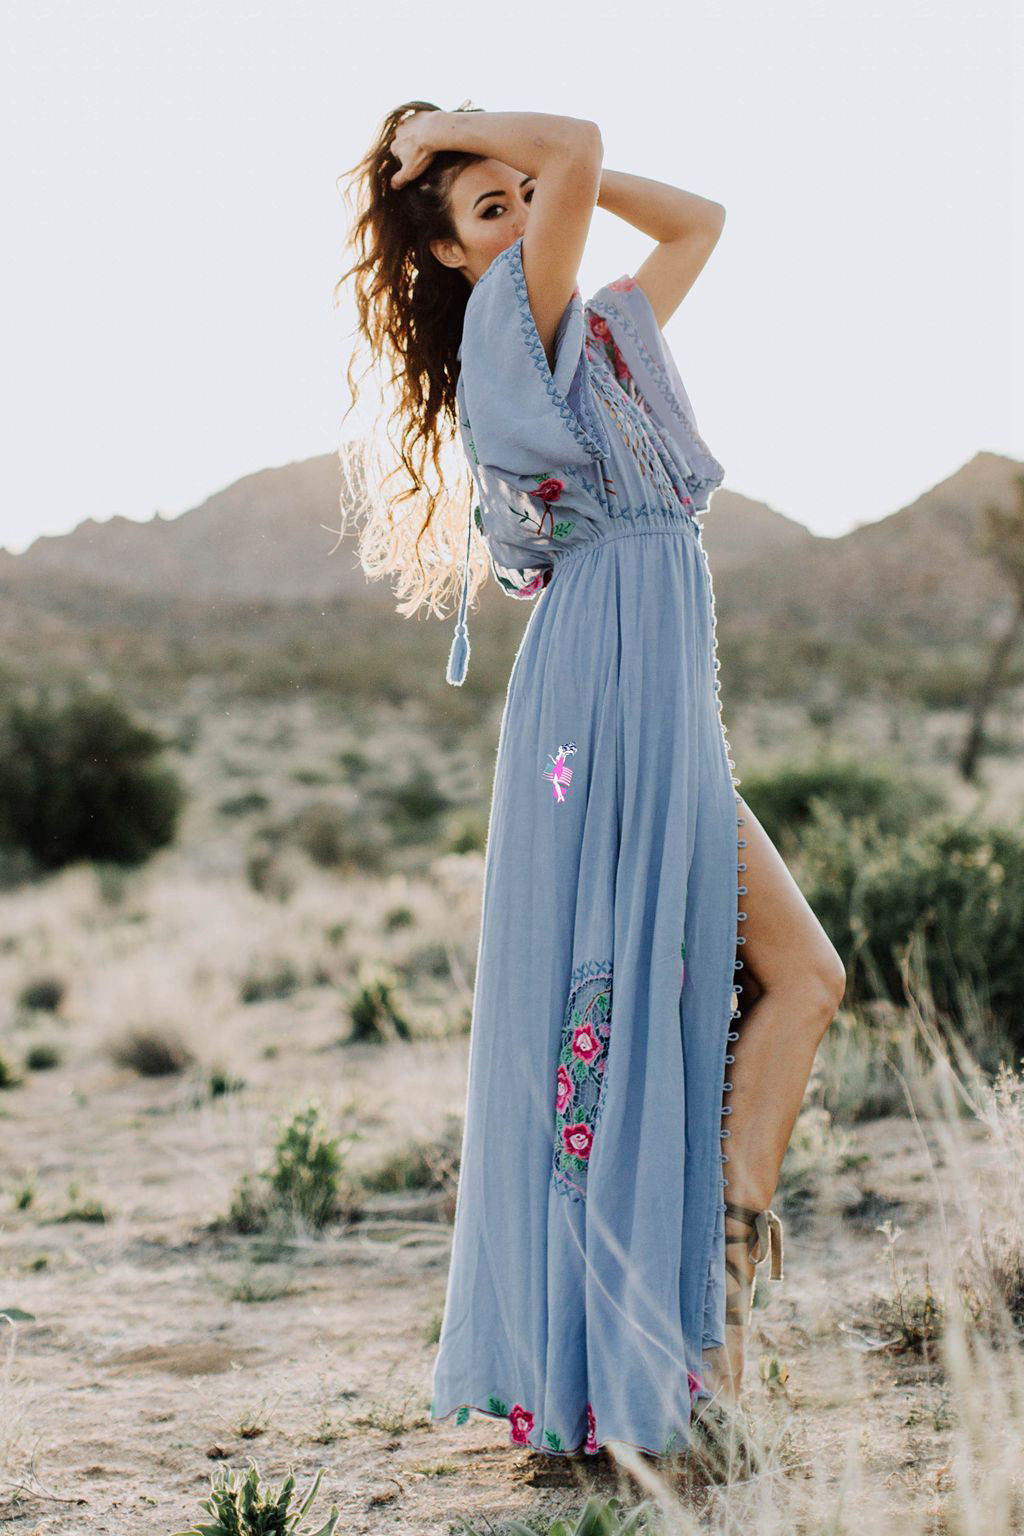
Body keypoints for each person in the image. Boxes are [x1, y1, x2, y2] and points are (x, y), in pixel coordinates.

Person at [336, 102, 847, 1463]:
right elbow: (579, 142)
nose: (527, 216)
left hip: (646, 692)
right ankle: (690, 1361)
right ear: (450, 260)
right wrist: (452, 128)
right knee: (729, 991)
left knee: (791, 980)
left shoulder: (596, 336)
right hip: (610, 701)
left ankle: (696, 1322)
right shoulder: (515, 325)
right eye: (488, 211)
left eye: (526, 201)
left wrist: (512, 167)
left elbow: (696, 224)